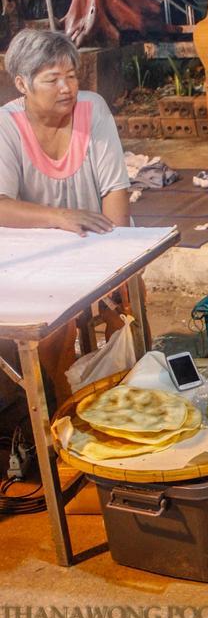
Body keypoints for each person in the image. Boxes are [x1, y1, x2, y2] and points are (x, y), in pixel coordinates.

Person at [0, 28, 131, 404]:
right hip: (41, 261)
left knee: (125, 320)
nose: (66, 88)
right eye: (52, 79)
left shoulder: (93, 110)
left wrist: (115, 265)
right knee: (53, 333)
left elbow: (115, 192)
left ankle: (127, 399)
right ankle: (57, 413)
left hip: (100, 246)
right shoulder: (6, 126)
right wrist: (59, 217)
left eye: (71, 76)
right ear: (22, 84)